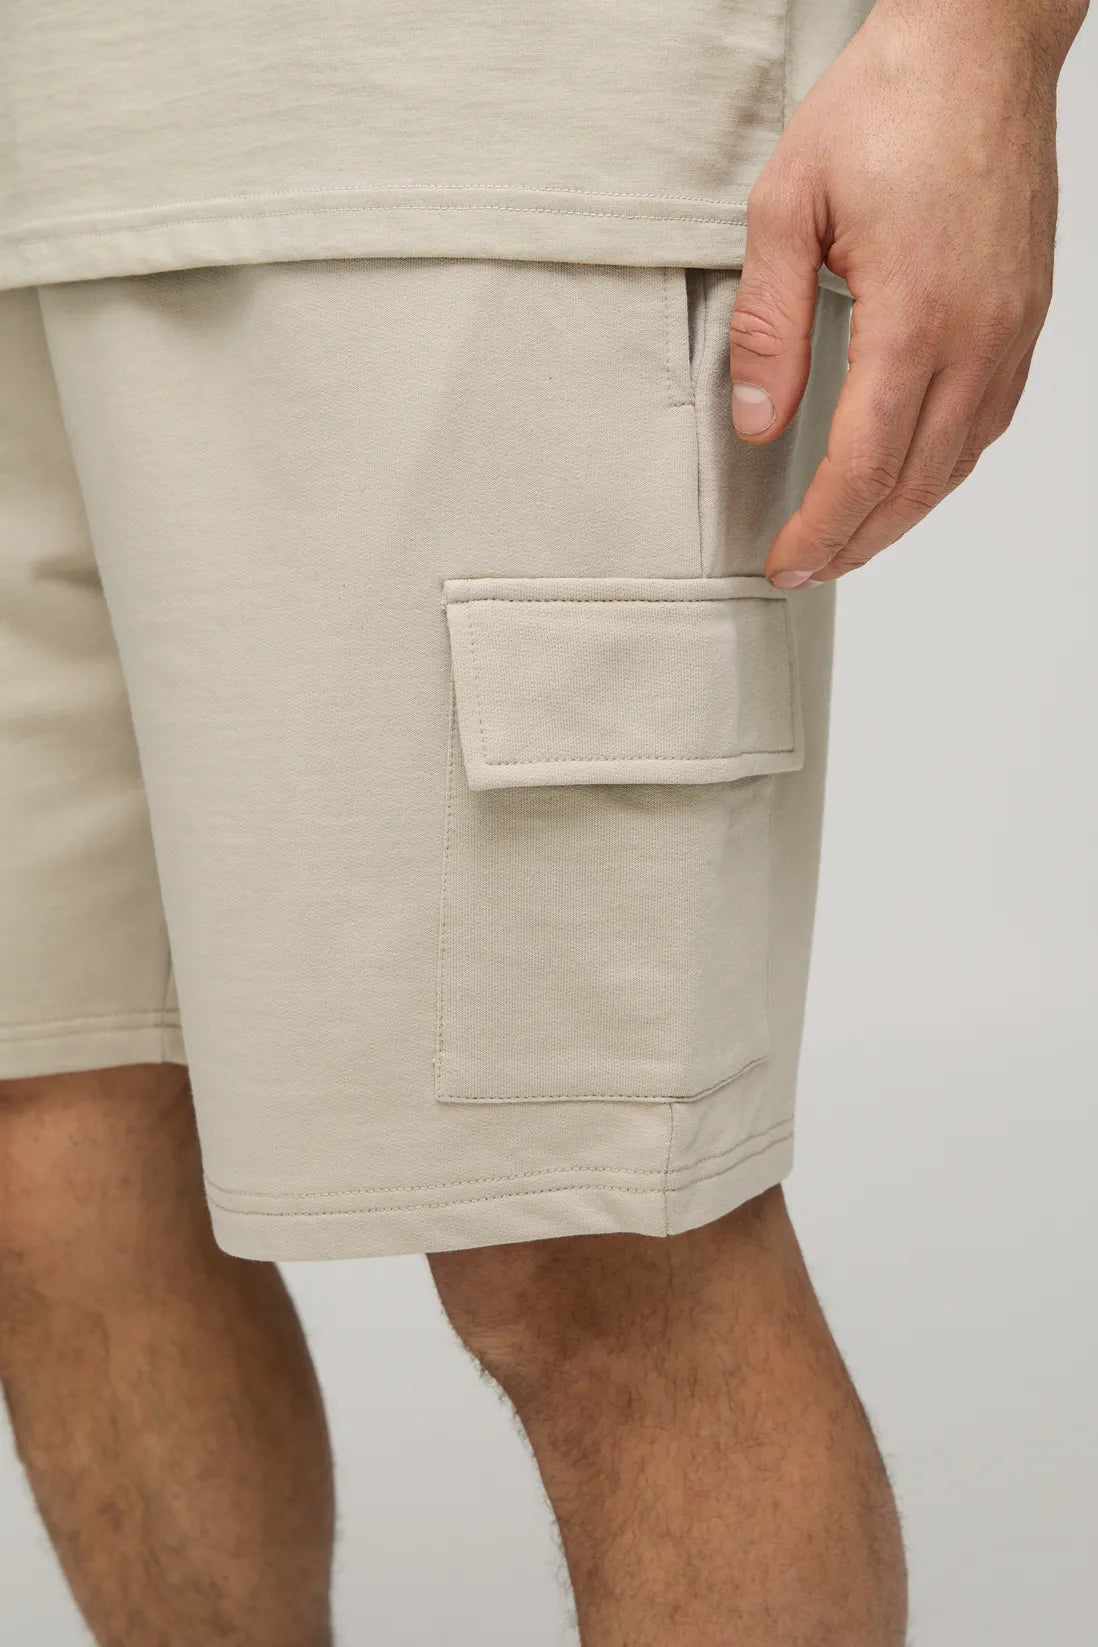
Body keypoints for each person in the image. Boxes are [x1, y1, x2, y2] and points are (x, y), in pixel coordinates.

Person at [0, 0, 1087, 1641]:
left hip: (520, 137)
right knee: (55, 1142)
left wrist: (975, 48)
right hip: (45, 151)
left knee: (591, 1239)